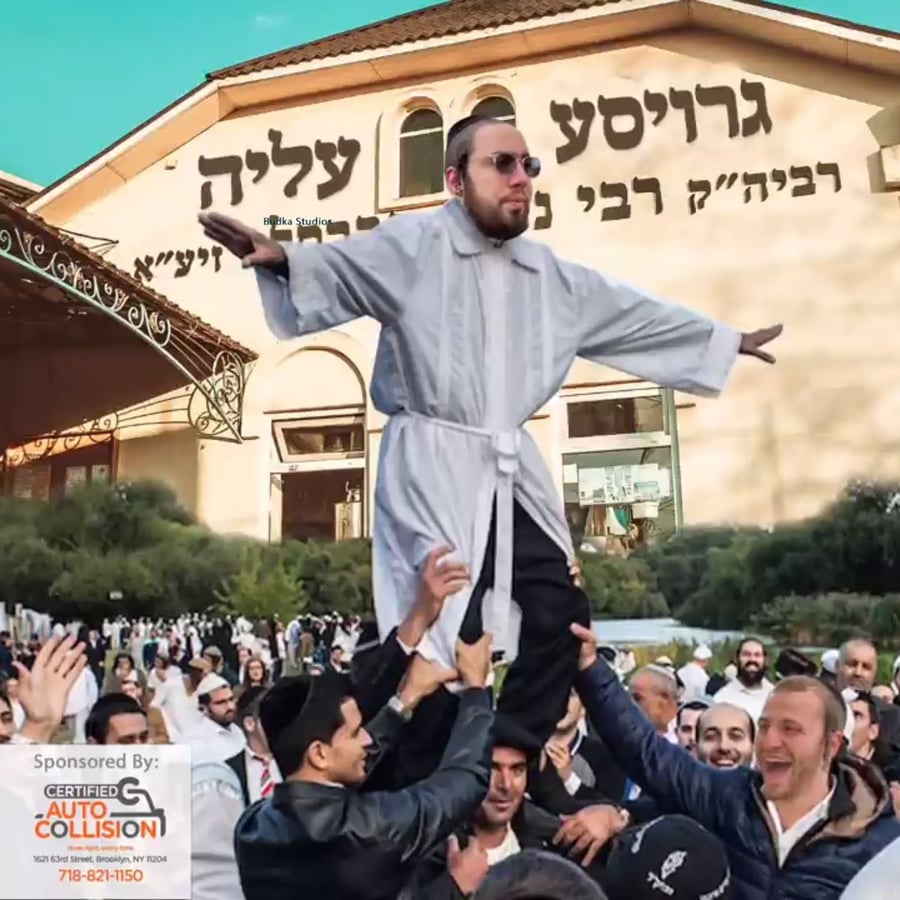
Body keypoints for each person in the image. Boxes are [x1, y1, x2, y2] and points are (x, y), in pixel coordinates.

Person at [199, 114, 782, 758]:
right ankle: (426, 758)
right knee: (446, 619)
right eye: (501, 164)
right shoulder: (416, 245)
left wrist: (723, 342)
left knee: (561, 607)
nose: (520, 178)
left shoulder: (549, 275)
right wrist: (286, 259)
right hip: (433, 460)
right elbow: (344, 265)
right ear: (456, 179)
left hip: (509, 461)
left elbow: (634, 315)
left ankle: (510, 750)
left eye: (528, 166)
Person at [569, 623, 900, 898]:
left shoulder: (879, 842)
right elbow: (645, 751)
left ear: (831, 745)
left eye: (791, 729)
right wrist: (589, 666)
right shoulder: (728, 797)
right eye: (765, 726)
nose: (770, 742)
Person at [235, 636, 494, 900]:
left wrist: (403, 702)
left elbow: (345, 758)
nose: (366, 740)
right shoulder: (371, 828)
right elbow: (464, 781)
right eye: (355, 732)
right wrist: (477, 692)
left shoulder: (251, 829)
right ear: (319, 754)